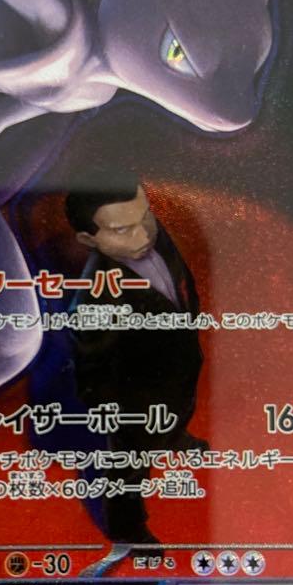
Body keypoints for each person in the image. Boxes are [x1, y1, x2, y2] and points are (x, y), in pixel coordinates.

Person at [64, 169, 206, 544]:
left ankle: (174, 437)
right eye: (122, 230)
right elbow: (92, 373)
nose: (143, 236)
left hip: (176, 368)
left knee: (179, 410)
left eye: (145, 217)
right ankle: (127, 527)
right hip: (135, 402)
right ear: (88, 239)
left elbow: (180, 281)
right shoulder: (93, 300)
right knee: (128, 466)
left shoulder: (154, 236)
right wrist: (122, 416)